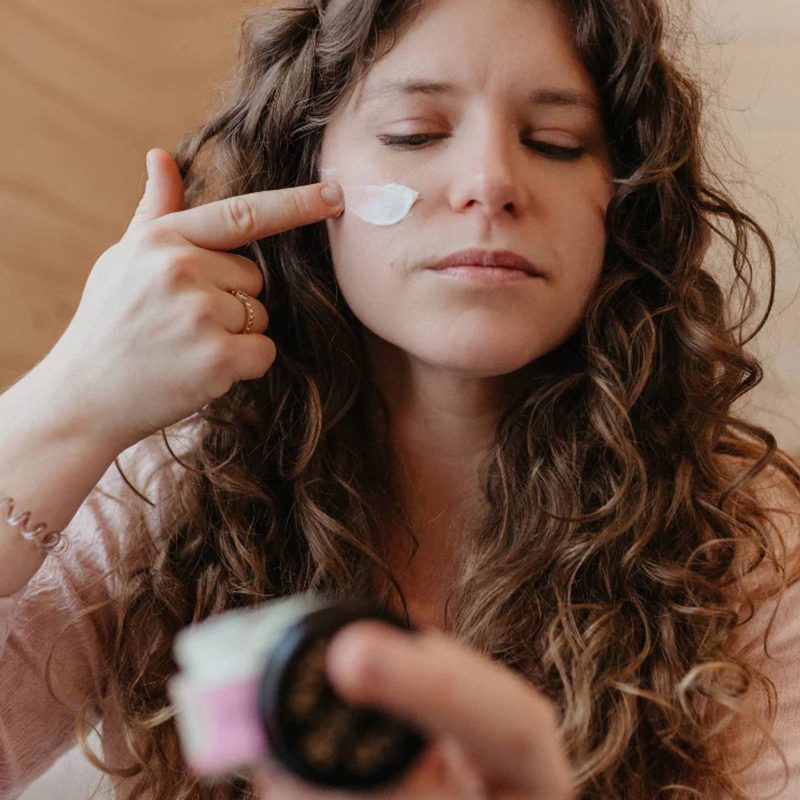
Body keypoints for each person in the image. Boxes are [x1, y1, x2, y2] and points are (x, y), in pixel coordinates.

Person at [1, 0, 799, 797]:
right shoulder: (158, 492)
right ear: (301, 172)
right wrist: (67, 402)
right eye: (414, 134)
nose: (490, 183)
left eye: (556, 143)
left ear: (621, 201)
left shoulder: (750, 542)